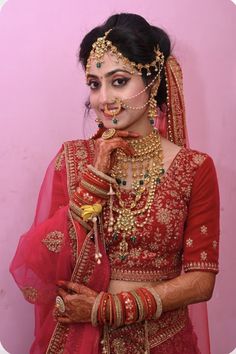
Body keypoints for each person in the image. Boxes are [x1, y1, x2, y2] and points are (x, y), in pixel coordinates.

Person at [10, 13, 220, 354]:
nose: (103, 98)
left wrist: (107, 309)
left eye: (118, 81)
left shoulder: (195, 168)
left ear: (152, 82)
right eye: (94, 83)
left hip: (162, 343)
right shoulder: (74, 159)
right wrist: (93, 180)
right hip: (83, 343)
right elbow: (39, 270)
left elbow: (201, 281)